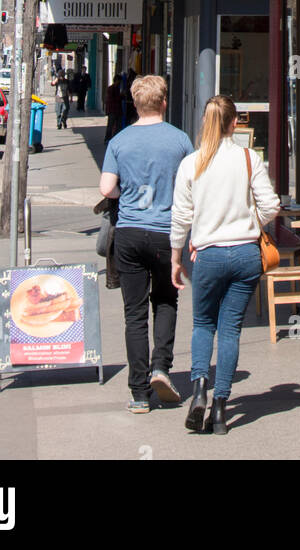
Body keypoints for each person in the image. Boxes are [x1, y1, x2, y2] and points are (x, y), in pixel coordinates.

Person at [171, 94, 280, 436]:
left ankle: (200, 388)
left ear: (206, 123)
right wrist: (251, 224)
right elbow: (271, 205)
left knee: (203, 325)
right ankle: (220, 409)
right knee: (231, 329)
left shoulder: (192, 163)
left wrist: (175, 257)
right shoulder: (249, 158)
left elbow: (180, 217)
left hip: (208, 254)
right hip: (246, 254)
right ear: (236, 123)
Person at [99, 75, 194, 413]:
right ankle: (161, 367)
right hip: (167, 235)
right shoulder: (180, 141)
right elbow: (192, 186)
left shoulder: (120, 141)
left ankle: (139, 392)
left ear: (136, 104)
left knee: (134, 313)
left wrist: (129, 193)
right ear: (164, 102)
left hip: (129, 232)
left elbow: (106, 187)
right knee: (166, 301)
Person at [104, 72, 123, 143]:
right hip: (112, 110)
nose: (120, 83)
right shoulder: (111, 89)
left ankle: (115, 138)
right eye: (119, 81)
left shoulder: (118, 89)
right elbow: (113, 99)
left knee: (118, 126)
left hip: (118, 110)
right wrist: (121, 96)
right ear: (116, 81)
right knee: (110, 125)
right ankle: (107, 139)